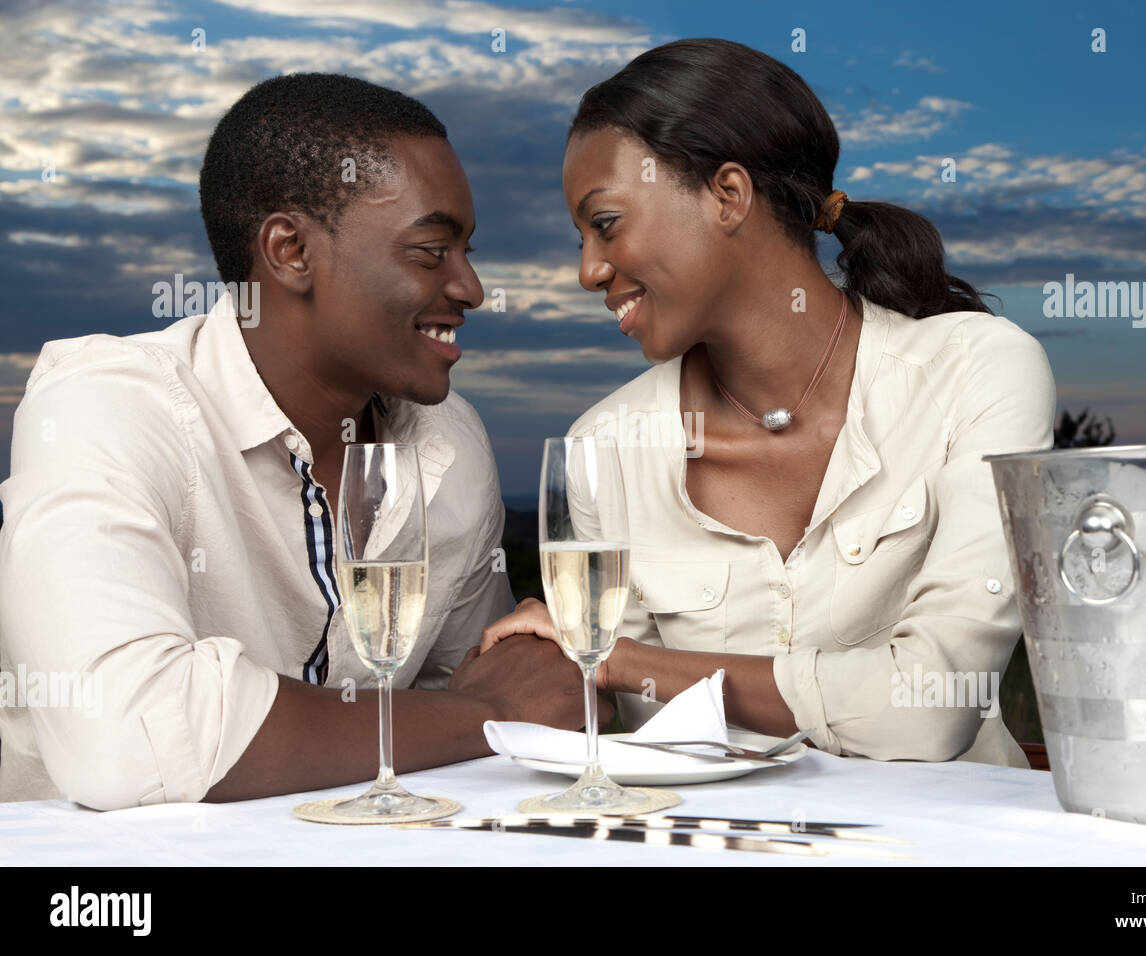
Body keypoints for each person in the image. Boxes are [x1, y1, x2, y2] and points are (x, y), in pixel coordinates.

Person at [0, 73, 593, 810]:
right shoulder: (110, 406)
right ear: (290, 251)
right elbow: (126, 742)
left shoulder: (450, 444)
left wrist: (509, 686)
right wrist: (493, 717)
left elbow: (470, 699)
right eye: (432, 251)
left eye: (466, 251)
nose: (471, 288)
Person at [481, 38, 1057, 768]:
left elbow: (932, 710)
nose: (589, 270)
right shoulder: (604, 450)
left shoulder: (980, 371)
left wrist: (616, 658)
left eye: (606, 224)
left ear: (728, 195)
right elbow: (667, 745)